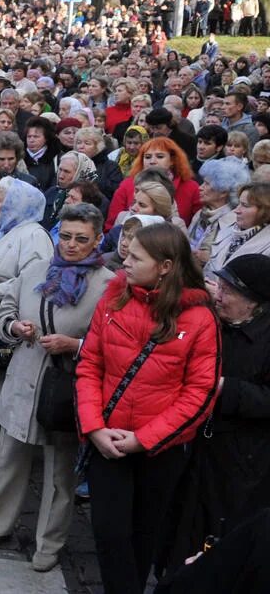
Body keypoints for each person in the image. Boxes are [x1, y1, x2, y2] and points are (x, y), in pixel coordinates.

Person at [76, 224, 219, 594]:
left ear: (165, 266)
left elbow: (199, 393)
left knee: (143, 536)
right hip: (107, 439)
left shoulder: (200, 318)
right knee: (109, 533)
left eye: (137, 257)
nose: (125, 259)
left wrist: (144, 440)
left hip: (160, 451)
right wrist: (93, 427)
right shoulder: (113, 300)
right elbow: (90, 365)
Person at [0, 203, 114, 572]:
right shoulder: (36, 269)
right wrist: (15, 328)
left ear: (97, 240)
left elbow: (113, 344)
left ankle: (49, 542)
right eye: (65, 236)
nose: (70, 245)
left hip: (66, 387)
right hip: (23, 376)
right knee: (9, 460)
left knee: (60, 472)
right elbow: (6, 308)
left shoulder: (108, 286)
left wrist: (75, 346)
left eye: (81, 239)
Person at [163, 253, 270, 575]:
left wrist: (224, 388)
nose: (217, 296)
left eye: (228, 291)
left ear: (254, 302)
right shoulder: (211, 322)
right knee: (179, 524)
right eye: (218, 287)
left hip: (241, 457)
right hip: (193, 445)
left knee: (218, 532)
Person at [0, 176, 53, 451]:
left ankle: (0, 444)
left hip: (5, 316)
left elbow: (35, 280)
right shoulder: (2, 228)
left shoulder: (34, 235)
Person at [106, 137, 201, 230]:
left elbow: (196, 228)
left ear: (172, 160)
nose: (152, 161)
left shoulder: (191, 187)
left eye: (160, 156)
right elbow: (111, 225)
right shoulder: (127, 185)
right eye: (147, 157)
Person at [202, 181, 270, 279]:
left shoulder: (267, 246)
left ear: (264, 210)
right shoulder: (227, 230)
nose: (237, 210)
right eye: (239, 204)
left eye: (245, 205)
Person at [188, 156, 250, 258]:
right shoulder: (200, 213)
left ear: (223, 192)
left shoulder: (233, 223)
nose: (200, 188)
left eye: (207, 184)